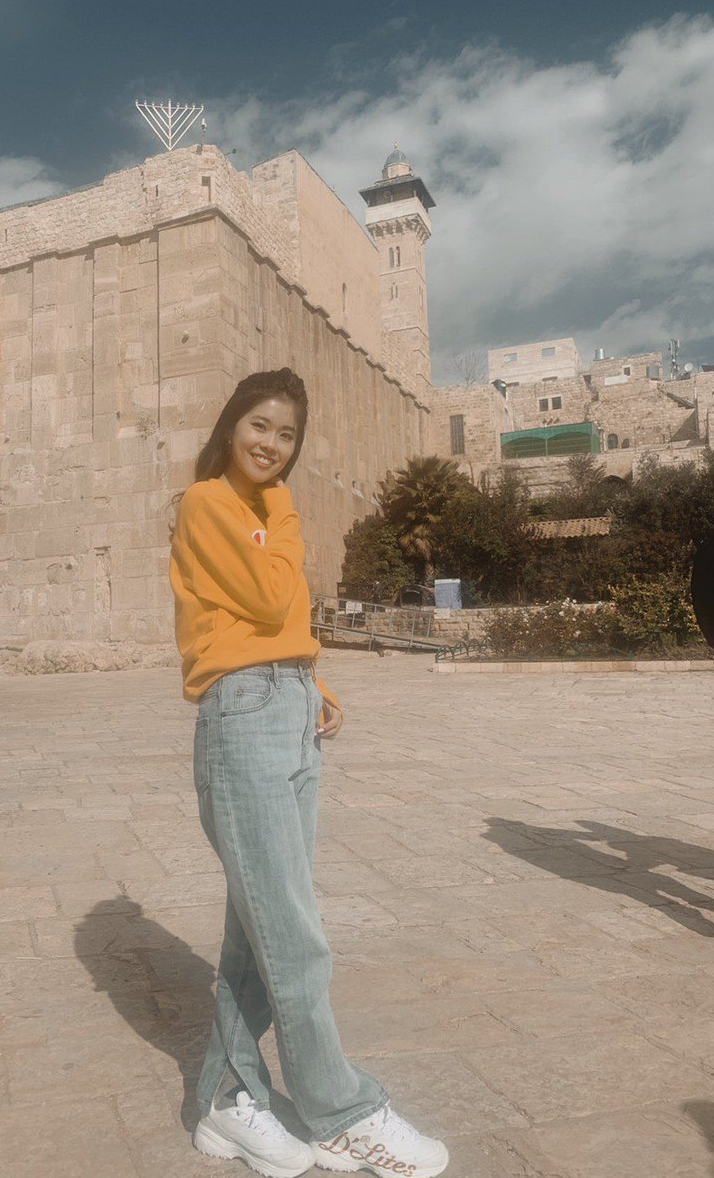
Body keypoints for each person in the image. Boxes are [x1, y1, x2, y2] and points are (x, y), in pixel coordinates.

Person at [170, 369, 449, 1178]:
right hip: (243, 712)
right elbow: (268, 597)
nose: (271, 444)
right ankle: (341, 1113)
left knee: (258, 928)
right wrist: (287, 512)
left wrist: (310, 684)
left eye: (287, 435)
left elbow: (283, 621)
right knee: (292, 933)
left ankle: (226, 1100)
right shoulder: (211, 504)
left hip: (286, 703)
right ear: (231, 426)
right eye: (260, 425)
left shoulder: (261, 514)